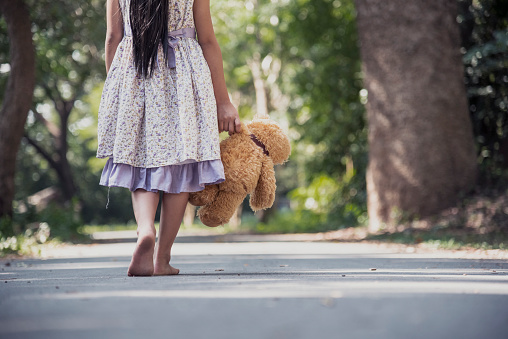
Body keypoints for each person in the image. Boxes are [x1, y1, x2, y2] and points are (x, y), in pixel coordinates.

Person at [97, 0, 241, 276]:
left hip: (135, 71)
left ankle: (145, 230)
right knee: (182, 165)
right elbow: (208, 40)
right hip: (184, 75)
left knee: (139, 160)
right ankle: (161, 260)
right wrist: (223, 101)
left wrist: (116, 87)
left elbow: (113, 37)